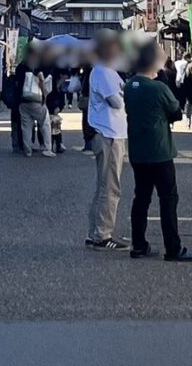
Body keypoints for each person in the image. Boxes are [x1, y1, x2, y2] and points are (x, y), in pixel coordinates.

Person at [123, 42, 192, 262]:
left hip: (138, 150)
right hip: (160, 150)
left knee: (141, 198)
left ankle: (139, 244)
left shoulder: (130, 86)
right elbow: (176, 112)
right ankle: (173, 248)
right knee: (167, 199)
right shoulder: (158, 88)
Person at [85, 31, 128, 250]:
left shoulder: (107, 71)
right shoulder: (103, 71)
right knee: (110, 187)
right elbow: (117, 102)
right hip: (108, 134)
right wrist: (125, 94)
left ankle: (96, 232)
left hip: (112, 133)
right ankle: (102, 234)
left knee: (104, 185)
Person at [15, 51, 55, 157]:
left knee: (26, 126)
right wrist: (44, 94)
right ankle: (47, 148)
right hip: (36, 100)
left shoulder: (20, 67)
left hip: (23, 100)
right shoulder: (36, 66)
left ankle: (28, 150)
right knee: (45, 124)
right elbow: (41, 79)